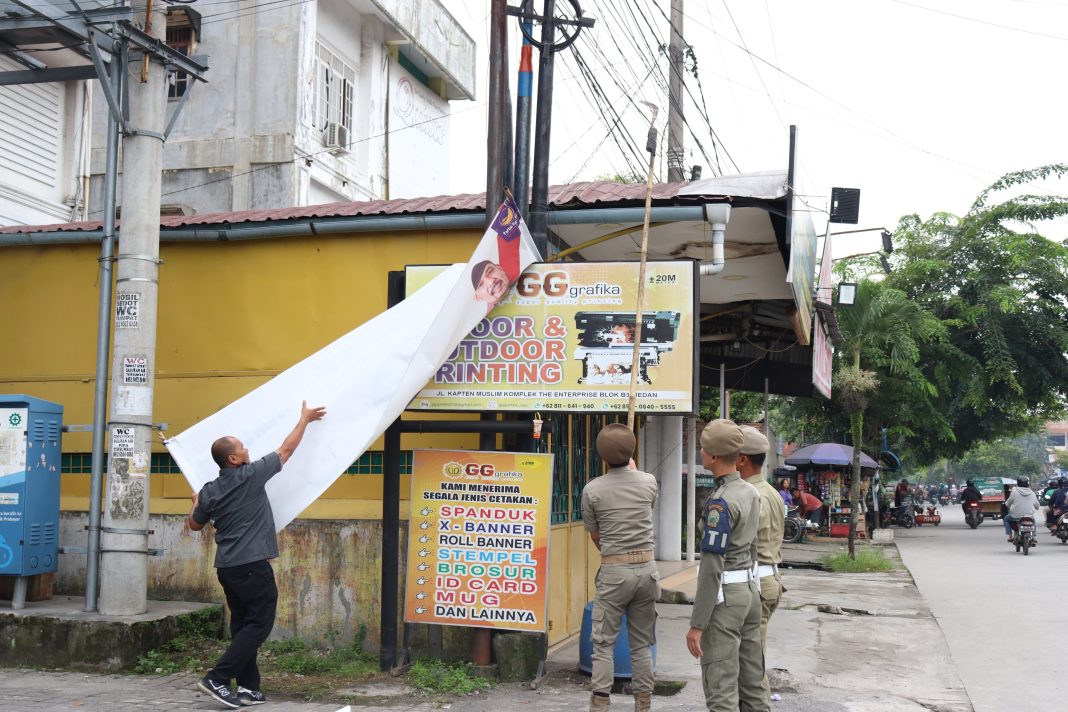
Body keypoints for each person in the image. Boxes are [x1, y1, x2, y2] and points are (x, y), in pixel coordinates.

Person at [188, 400, 327, 709]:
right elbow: (286, 451)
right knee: (259, 625)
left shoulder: (209, 489)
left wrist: (196, 502)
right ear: (233, 458)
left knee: (242, 625)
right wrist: (303, 420)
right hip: (252, 566)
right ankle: (217, 679)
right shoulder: (249, 476)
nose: (248, 449)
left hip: (227, 567)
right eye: (243, 448)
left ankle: (249, 688)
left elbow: (195, 524)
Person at [686, 419, 769, 712]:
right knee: (753, 682)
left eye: (703, 448)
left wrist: (697, 624)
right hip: (749, 590)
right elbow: (754, 546)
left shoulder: (720, 503)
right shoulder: (749, 491)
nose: (701, 452)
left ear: (713, 456)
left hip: (726, 599)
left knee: (720, 685)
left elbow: (711, 567)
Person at [580, 423, 659, 712]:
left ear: (601, 456)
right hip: (647, 571)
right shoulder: (648, 481)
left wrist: (615, 555)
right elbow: (645, 506)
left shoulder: (592, 490)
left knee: (603, 643)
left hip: (614, 571)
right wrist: (635, 471)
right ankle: (643, 703)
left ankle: (600, 703)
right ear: (632, 452)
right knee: (641, 643)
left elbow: (596, 535)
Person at [737, 426, 785, 703]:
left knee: (751, 662)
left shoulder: (752, 495)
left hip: (756, 582)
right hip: (767, 580)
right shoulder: (768, 491)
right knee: (751, 656)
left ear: (742, 459)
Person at [1003, 475, 1040, 542]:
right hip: (1029, 516)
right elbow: (1037, 506)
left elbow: (1007, 503)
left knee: (1006, 519)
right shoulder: (1032, 493)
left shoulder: (1014, 492)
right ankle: (1033, 536)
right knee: (1033, 520)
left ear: (1018, 483)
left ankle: (1010, 536)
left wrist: (1008, 506)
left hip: (1015, 516)